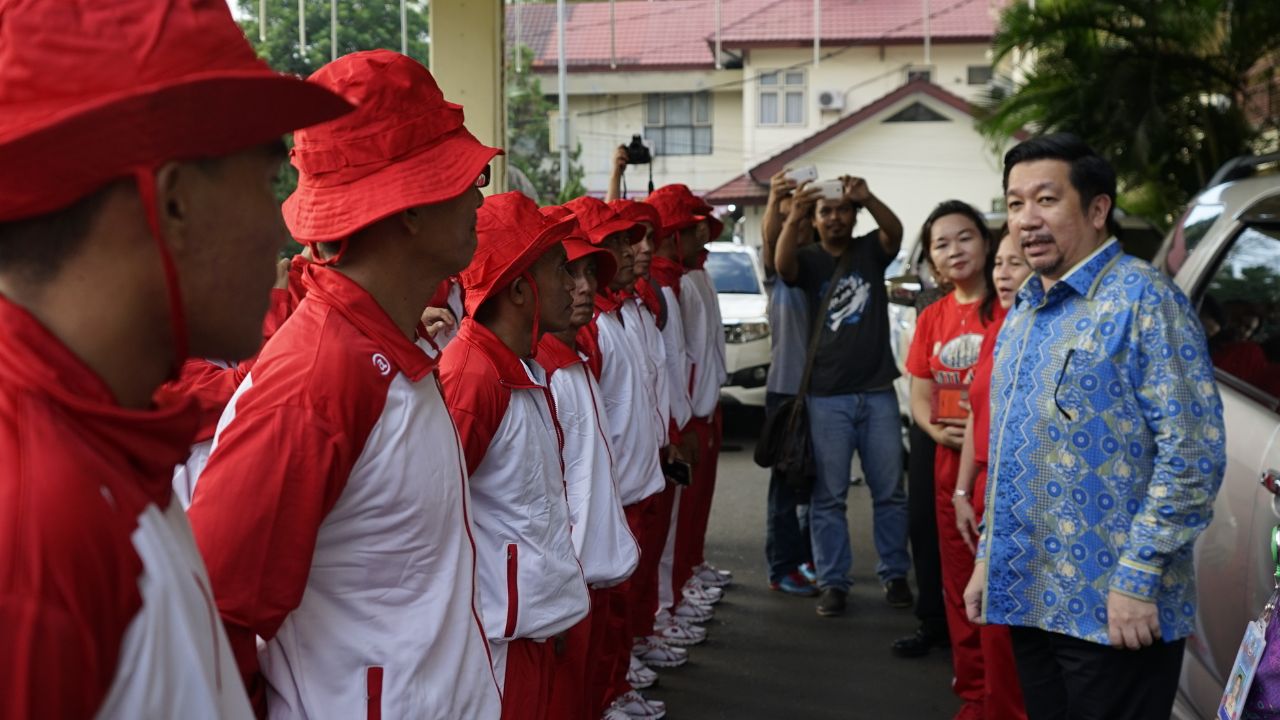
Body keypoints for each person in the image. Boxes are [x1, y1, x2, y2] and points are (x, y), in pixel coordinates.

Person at [0, 1, 352, 716]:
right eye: (264, 182)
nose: (279, 230)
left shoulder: (106, 437)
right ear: (176, 202)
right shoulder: (33, 522)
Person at [186, 51, 502, 719]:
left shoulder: (388, 348)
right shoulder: (317, 378)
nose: (480, 196)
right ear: (410, 209)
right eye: (464, 177)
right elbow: (215, 615)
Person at [963, 133, 1227, 720]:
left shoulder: (1145, 300)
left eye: (1046, 200)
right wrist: (988, 558)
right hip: (1030, 594)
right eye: (1013, 203)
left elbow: (1192, 455)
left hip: (1114, 609)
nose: (1025, 220)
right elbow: (1008, 450)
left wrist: (1136, 579)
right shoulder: (1025, 307)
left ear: (1098, 209)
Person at [440, 192, 591, 720]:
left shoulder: (522, 366)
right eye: (559, 270)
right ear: (521, 289)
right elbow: (437, 520)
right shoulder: (472, 375)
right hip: (500, 638)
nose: (575, 285)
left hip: (531, 625)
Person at [774, 175, 911, 617]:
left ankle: (895, 573)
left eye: (842, 211)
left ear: (853, 216)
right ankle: (834, 581)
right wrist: (793, 212)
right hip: (826, 397)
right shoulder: (809, 259)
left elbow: (897, 232)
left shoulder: (870, 249)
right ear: (815, 221)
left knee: (889, 491)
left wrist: (868, 196)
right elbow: (782, 268)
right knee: (828, 496)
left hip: (877, 393)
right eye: (826, 212)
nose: (835, 218)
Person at [535, 212, 642, 720]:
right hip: (563, 580)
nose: (581, 289)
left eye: (587, 275)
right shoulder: (534, 367)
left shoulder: (570, 352)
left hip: (588, 567)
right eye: (567, 273)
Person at [904, 201, 1000, 719]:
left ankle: (1007, 693)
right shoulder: (932, 318)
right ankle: (976, 693)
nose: (954, 250)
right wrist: (937, 430)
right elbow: (919, 394)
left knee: (1003, 580)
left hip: (1000, 469)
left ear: (985, 243)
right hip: (946, 467)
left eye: (964, 238)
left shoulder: (1012, 310)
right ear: (932, 261)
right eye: (941, 244)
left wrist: (980, 438)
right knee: (960, 579)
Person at [951, 226, 1031, 720]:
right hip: (985, 491)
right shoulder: (998, 330)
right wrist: (962, 489)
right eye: (999, 262)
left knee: (1012, 641)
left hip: (1018, 501)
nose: (1003, 273)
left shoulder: (1036, 332)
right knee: (990, 626)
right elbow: (976, 414)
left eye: (1015, 263)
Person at [648, 184, 734, 606]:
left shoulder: (688, 276)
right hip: (683, 421)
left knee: (690, 513)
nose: (705, 233)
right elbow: (671, 367)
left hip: (698, 411)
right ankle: (669, 600)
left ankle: (686, 574)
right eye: (694, 225)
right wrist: (679, 426)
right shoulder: (665, 286)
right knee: (668, 527)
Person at [759, 169, 818, 596]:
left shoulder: (821, 265)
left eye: (801, 217)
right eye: (786, 219)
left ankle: (809, 558)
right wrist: (777, 202)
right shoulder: (779, 272)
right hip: (786, 393)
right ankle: (783, 567)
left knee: (819, 484)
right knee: (785, 487)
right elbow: (770, 242)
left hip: (824, 392)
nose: (793, 224)